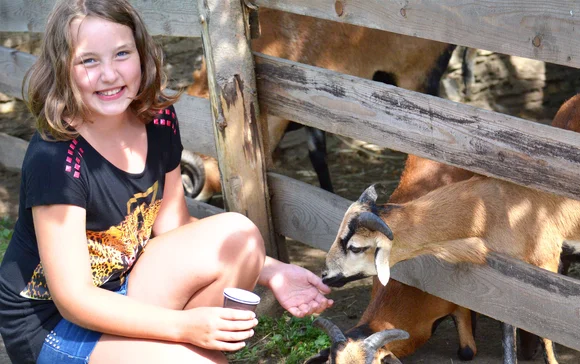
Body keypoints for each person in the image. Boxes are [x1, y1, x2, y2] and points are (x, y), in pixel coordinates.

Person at [0, 0, 334, 363]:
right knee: (198, 359)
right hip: (56, 326)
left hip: (122, 288)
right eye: (89, 61)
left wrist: (275, 271)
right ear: (62, 68)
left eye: (122, 54)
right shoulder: (56, 159)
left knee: (240, 236)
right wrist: (183, 326)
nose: (110, 74)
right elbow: (74, 300)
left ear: (142, 54)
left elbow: (174, 226)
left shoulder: (157, 118)